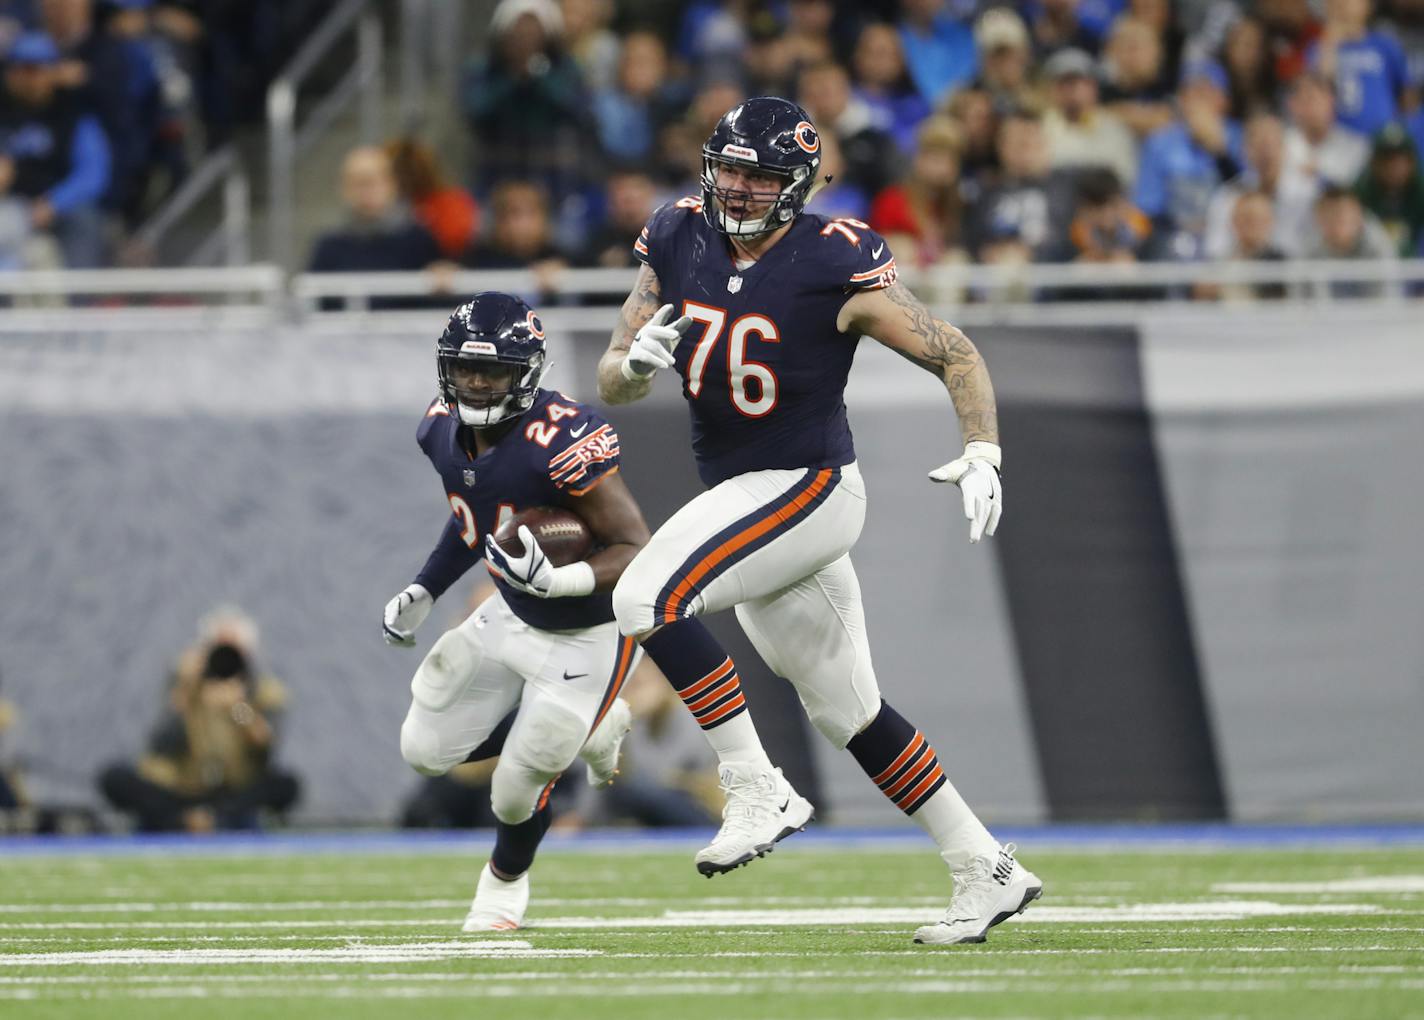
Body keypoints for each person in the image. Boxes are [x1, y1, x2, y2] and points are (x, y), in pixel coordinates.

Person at [596, 96, 1042, 947]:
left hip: (807, 486)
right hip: (747, 493)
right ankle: (984, 866)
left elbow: (954, 350)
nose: (736, 187)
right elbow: (613, 373)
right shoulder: (678, 232)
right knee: (850, 712)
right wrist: (634, 365)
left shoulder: (830, 259)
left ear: (796, 184)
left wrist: (983, 448)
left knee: (646, 595)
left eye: (758, 177)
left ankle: (754, 783)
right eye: (727, 167)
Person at [382, 292, 813, 932]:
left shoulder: (560, 439)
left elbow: (637, 549)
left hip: (587, 633)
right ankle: (588, 726)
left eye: (493, 371)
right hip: (511, 612)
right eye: (465, 368)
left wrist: (561, 580)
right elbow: (476, 514)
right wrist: (426, 587)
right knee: (422, 750)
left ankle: (503, 887)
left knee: (517, 784)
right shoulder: (440, 427)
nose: (475, 383)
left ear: (525, 374)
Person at [98, 617, 299, 833]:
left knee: (285, 784)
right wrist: (185, 690)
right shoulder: (187, 687)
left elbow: (265, 750)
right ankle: (185, 820)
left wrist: (238, 707)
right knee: (116, 777)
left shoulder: (262, 691)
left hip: (233, 790)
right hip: (182, 788)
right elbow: (160, 744)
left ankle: (215, 820)